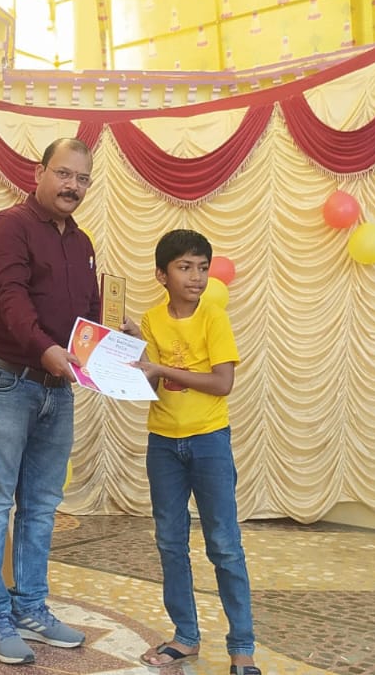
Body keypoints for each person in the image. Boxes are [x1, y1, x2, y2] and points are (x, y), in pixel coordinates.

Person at [0, 138, 100, 664]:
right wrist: (45, 349)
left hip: (57, 386)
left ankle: (31, 609)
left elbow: (87, 315)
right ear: (39, 173)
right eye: (63, 174)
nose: (72, 186)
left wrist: (115, 338)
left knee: (42, 507)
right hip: (2, 380)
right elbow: (10, 297)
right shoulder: (10, 226)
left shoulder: (82, 242)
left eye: (82, 179)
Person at [133, 230, 259, 675]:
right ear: (161, 275)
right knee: (170, 542)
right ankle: (185, 637)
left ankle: (242, 647)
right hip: (163, 444)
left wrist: (161, 366)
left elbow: (222, 383)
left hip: (209, 441)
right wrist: (126, 350)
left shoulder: (213, 317)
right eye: (185, 267)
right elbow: (146, 382)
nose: (197, 277)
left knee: (224, 544)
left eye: (203, 267)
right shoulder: (151, 319)